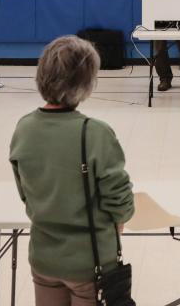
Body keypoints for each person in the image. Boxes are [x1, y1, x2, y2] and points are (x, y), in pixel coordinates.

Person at [10, 36, 135, 306]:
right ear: (86, 83)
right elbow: (119, 200)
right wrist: (120, 220)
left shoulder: (24, 128)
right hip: (90, 264)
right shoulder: (96, 133)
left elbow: (25, 192)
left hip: (43, 258)